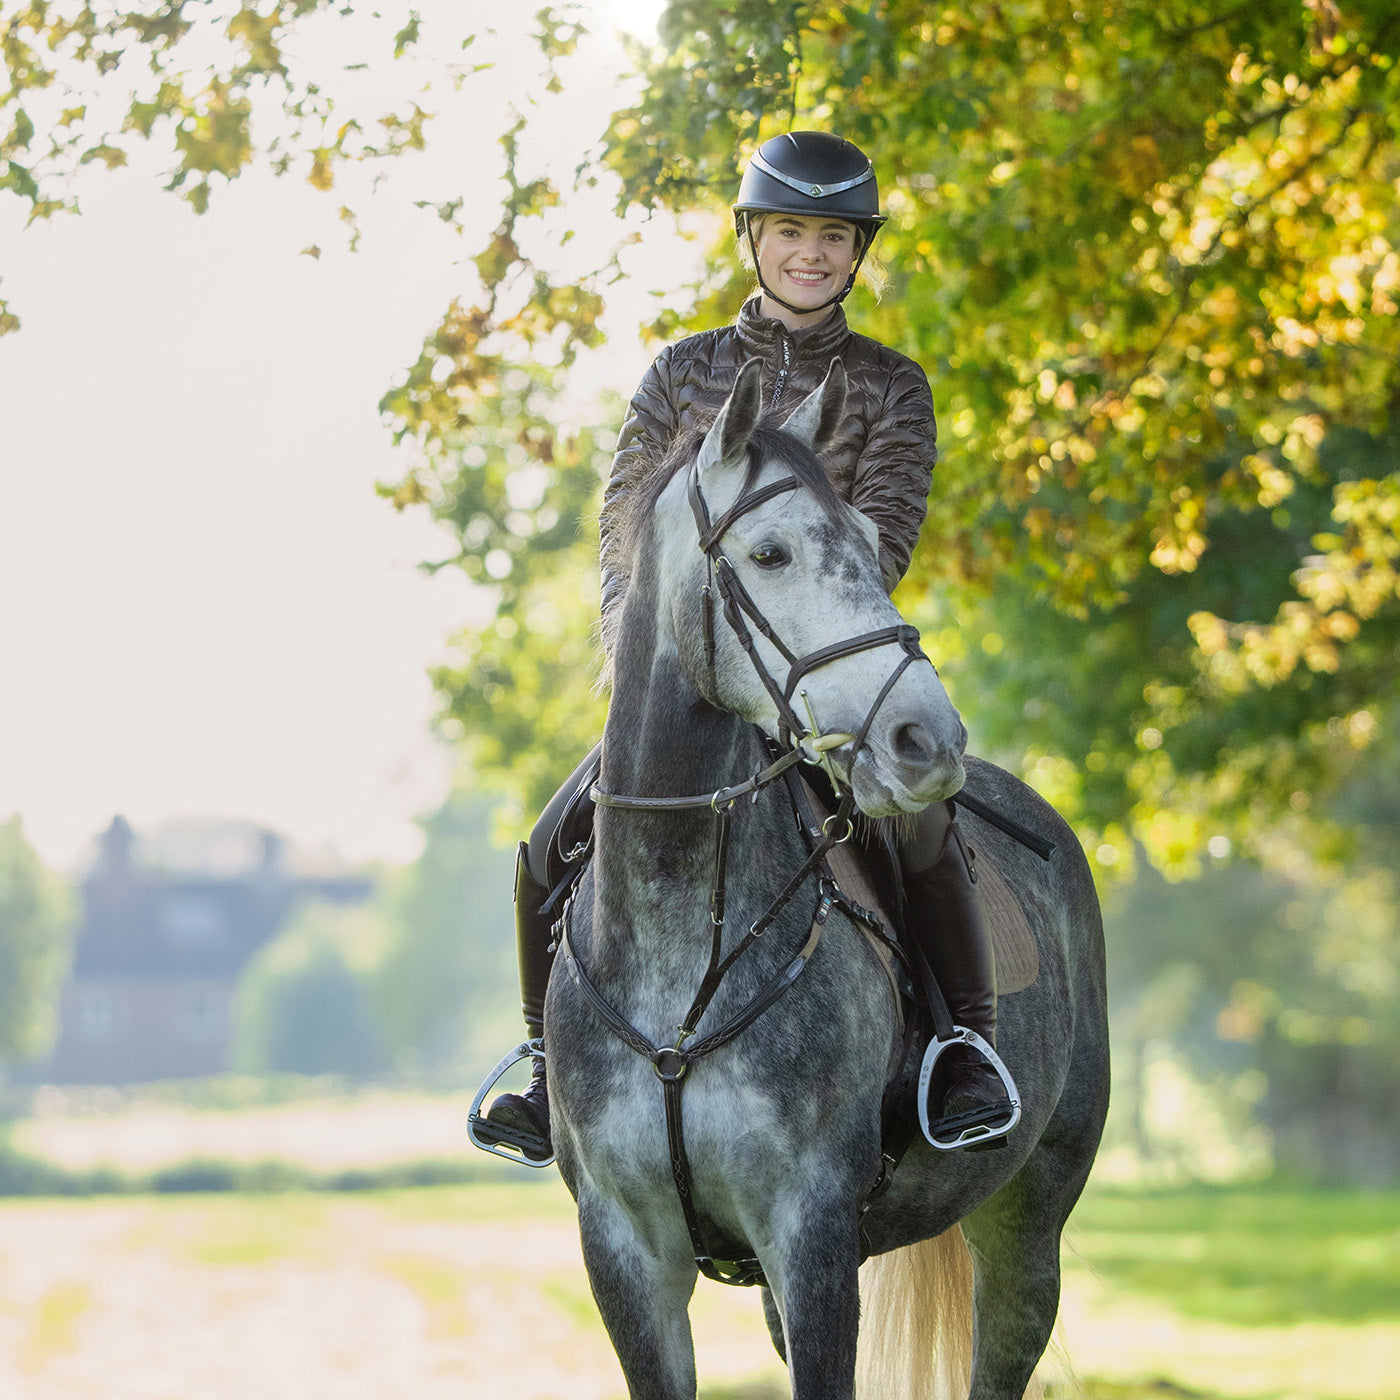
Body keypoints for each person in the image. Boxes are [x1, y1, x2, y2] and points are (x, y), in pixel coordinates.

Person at [476, 131, 1011, 1162]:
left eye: (830, 236)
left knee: (919, 827)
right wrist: (642, 659)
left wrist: (800, 644)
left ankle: (963, 1049)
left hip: (817, 668)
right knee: (545, 850)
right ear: (752, 238)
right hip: (684, 680)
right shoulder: (681, 374)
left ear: (855, 252)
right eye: (788, 232)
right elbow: (623, 527)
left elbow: (881, 534)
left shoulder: (891, 386)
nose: (808, 253)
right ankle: (550, 1072)